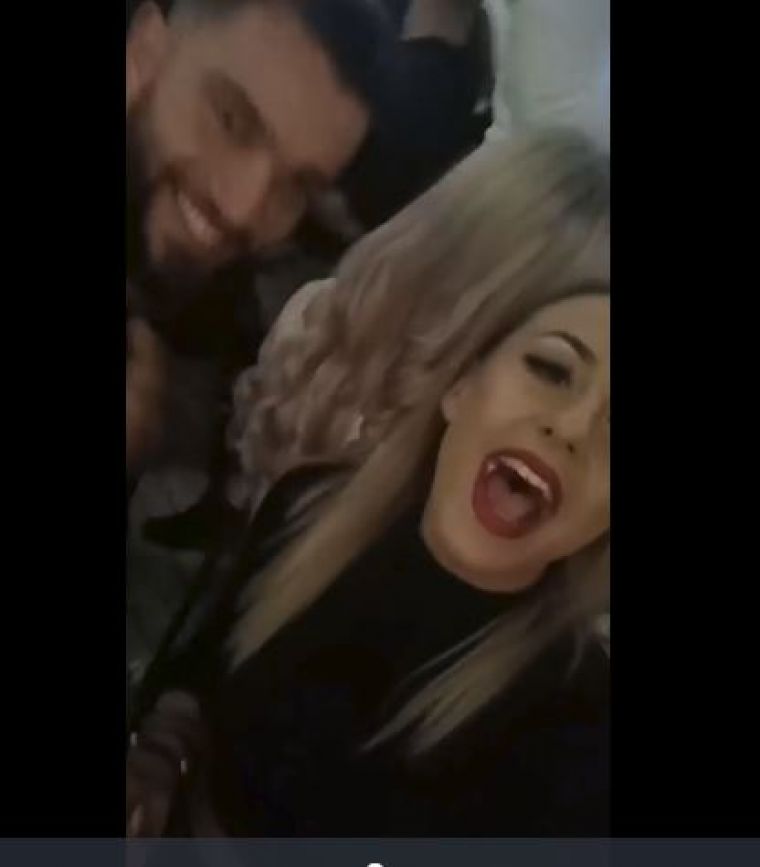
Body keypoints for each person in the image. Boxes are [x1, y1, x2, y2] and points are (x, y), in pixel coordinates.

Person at [127, 130, 610, 836]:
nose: (570, 427)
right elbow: (201, 670)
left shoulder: (582, 730)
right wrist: (163, 752)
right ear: (465, 375)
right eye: (552, 368)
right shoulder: (308, 505)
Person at [126, 0, 393, 477]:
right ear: (143, 53)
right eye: (232, 120)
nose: (242, 208)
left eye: (297, 186)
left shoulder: (223, 345)